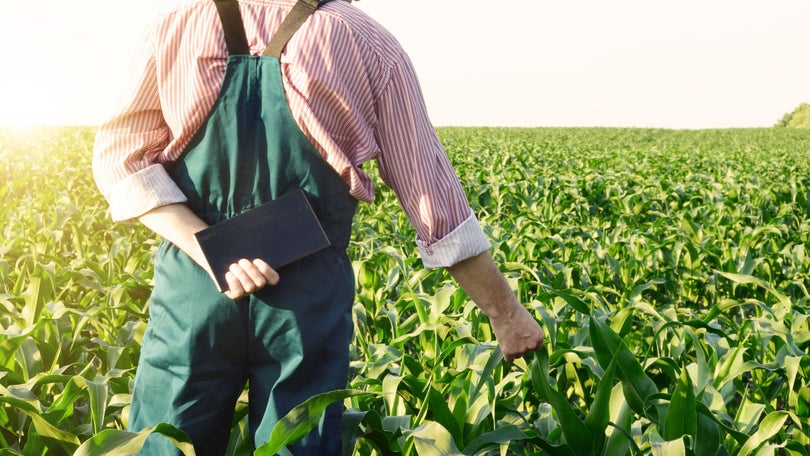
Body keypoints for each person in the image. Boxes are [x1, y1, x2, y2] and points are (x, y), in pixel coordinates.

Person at [92, 0, 544, 454]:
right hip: (304, 300)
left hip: (193, 291)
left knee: (166, 442)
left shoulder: (176, 27)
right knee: (296, 443)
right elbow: (434, 202)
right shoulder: (367, 42)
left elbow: (120, 159)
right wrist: (505, 314)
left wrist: (207, 249)